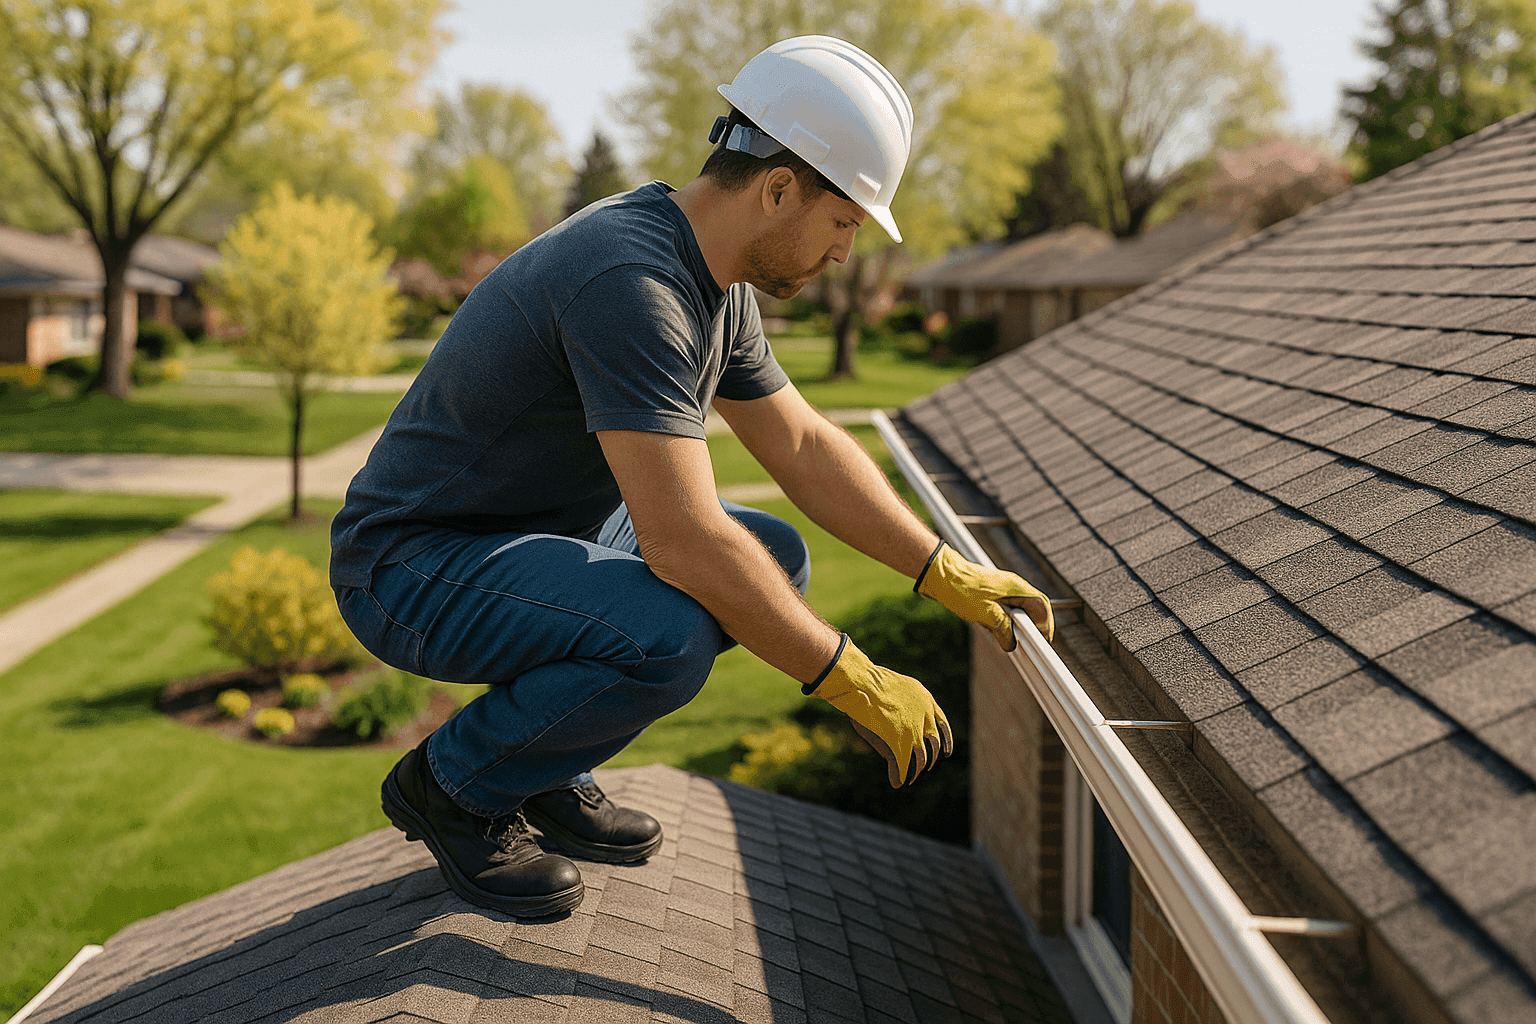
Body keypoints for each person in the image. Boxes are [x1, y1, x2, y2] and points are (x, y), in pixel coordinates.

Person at [330, 35, 1054, 919]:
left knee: (771, 557)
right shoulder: (631, 281)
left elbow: (802, 445)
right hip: (411, 566)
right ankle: (454, 785)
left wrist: (942, 570)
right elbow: (682, 539)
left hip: (530, 535)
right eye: (844, 222)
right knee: (668, 633)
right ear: (778, 188)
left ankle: (543, 763)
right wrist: (853, 678)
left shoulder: (716, 281)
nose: (843, 253)